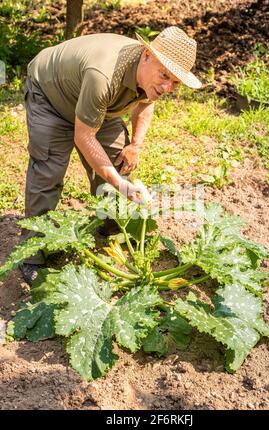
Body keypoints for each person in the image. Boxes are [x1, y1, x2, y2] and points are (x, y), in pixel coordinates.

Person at [21, 26, 202, 285]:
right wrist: (118, 183)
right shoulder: (104, 75)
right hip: (52, 96)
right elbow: (83, 137)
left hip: (98, 106)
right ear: (147, 55)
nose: (167, 86)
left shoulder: (153, 77)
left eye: (175, 82)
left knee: (118, 158)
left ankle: (112, 227)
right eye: (165, 76)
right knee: (48, 170)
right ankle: (32, 254)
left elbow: (144, 105)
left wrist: (136, 145)